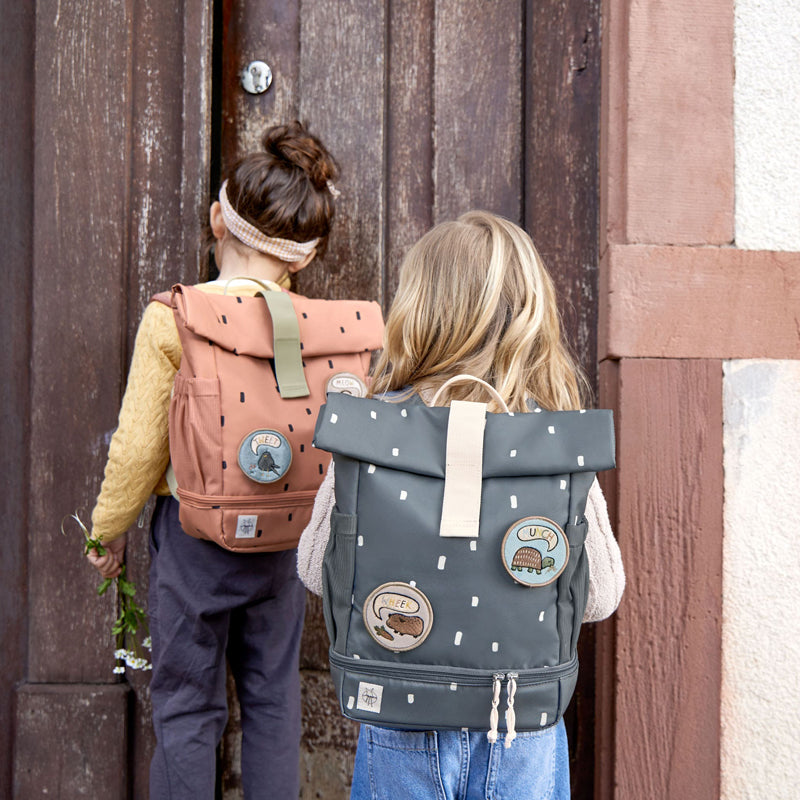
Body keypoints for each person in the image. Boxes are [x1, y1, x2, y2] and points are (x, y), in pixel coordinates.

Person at [297, 210, 625, 799]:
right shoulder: (551, 445)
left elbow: (314, 571)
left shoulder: (374, 433)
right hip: (518, 716)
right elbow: (600, 597)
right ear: (531, 317)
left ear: (418, 312)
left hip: (400, 705)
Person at [87, 121, 341, 799]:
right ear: (303, 258)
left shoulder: (176, 317)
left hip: (195, 539)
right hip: (286, 536)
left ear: (215, 221)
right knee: (272, 699)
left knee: (186, 705)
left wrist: (107, 528)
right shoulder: (321, 329)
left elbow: (139, 443)